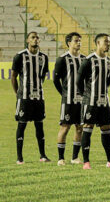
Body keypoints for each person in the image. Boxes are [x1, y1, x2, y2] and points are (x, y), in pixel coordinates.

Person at [77, 33, 110, 170]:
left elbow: (108, 82)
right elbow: (79, 81)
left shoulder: (109, 62)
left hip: (104, 101)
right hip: (90, 101)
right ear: (97, 43)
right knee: (88, 128)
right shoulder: (88, 60)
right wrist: (86, 95)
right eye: (106, 42)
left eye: (109, 42)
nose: (108, 44)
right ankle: (86, 161)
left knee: (106, 128)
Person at [12, 31, 50, 164]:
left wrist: (37, 89)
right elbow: (14, 76)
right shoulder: (20, 56)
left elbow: (43, 76)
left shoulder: (44, 58)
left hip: (39, 98)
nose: (35, 39)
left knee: (39, 126)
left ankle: (43, 155)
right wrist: (18, 93)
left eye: (37, 38)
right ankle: (19, 157)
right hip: (24, 98)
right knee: (21, 126)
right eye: (33, 37)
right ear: (27, 40)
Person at [54, 32, 86, 166]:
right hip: (68, 101)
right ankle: (61, 158)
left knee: (79, 128)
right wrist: (64, 94)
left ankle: (74, 157)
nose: (78, 43)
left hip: (82, 101)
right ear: (69, 43)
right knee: (65, 128)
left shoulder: (85, 59)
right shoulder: (62, 59)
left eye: (79, 41)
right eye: (76, 41)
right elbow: (56, 80)